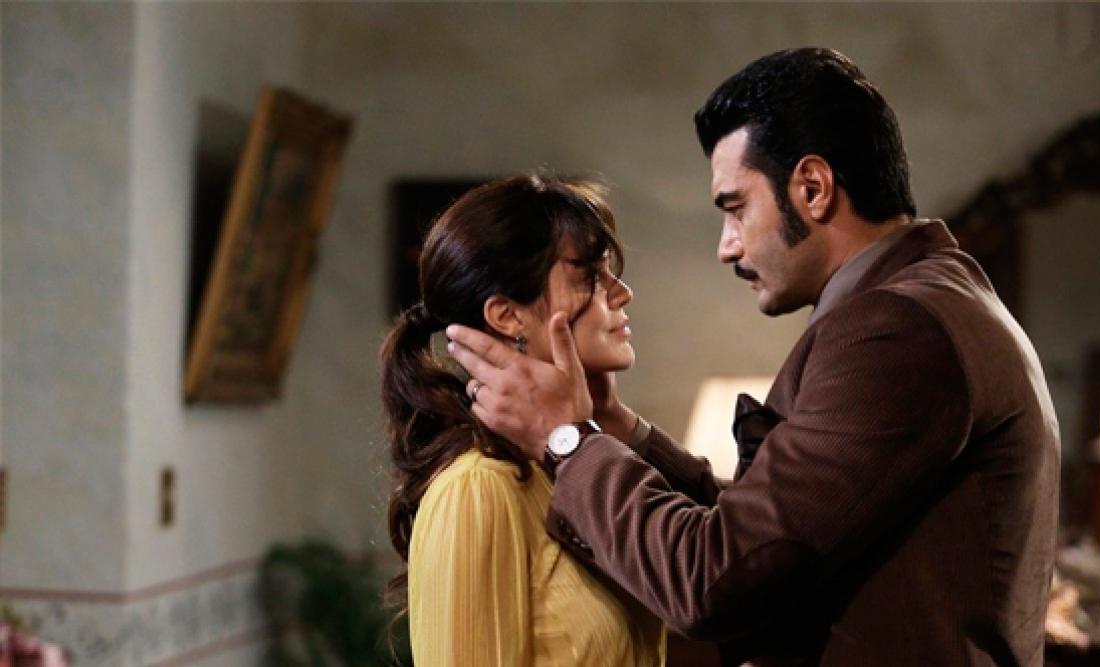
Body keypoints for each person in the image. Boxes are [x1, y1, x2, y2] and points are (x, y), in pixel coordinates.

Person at [447, 48, 1060, 666]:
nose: (727, 246)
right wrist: (617, 428)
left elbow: (718, 577)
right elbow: (772, 536)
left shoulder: (895, 329)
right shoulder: (929, 299)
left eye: (736, 208)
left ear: (813, 188)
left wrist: (566, 439)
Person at [380, 174, 665, 665]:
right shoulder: (478, 489)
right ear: (508, 316)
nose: (622, 293)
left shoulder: (571, 465)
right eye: (590, 275)